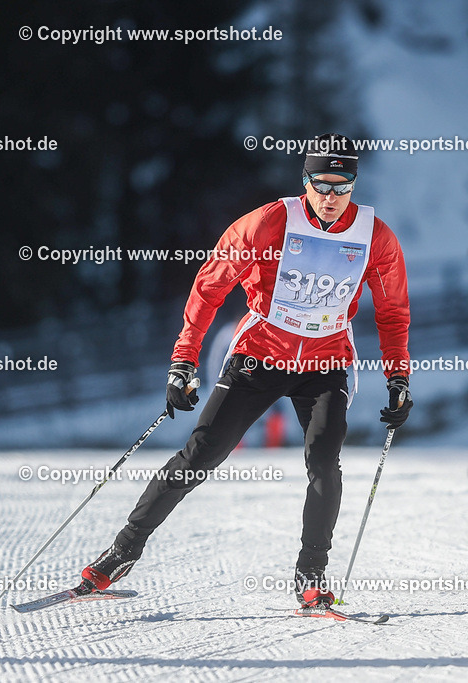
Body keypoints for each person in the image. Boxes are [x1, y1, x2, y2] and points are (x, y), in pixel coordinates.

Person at [80, 133, 412, 607]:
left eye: (343, 186)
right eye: (322, 185)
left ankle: (311, 574)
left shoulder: (375, 236)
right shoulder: (270, 222)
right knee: (201, 454)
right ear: (306, 182)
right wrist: (183, 360)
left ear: (354, 185)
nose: (332, 197)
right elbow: (210, 286)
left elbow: (393, 311)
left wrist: (398, 378)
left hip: (327, 363)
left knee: (323, 459)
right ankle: (122, 551)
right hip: (259, 356)